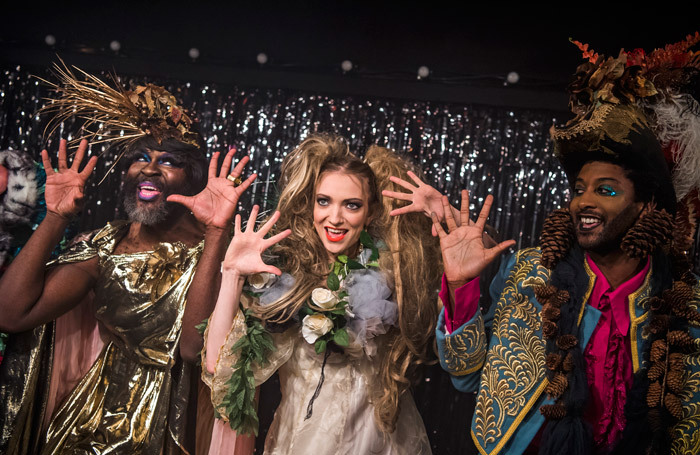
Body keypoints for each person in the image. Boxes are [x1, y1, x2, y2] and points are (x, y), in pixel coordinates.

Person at [418, 37, 700, 455]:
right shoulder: (529, 272)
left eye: (605, 190)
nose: (583, 201)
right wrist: (461, 290)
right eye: (579, 188)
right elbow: (464, 375)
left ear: (645, 205)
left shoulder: (684, 302)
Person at [0, 65, 256, 454]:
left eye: (169, 161)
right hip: (86, 427)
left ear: (193, 177)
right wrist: (55, 217)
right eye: (140, 157)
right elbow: (11, 313)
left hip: (165, 432)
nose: (150, 168)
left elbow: (192, 350)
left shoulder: (217, 255)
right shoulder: (107, 246)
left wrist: (217, 234)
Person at [203, 134, 443, 454]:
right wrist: (231, 273)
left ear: (370, 213)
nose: (335, 217)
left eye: (352, 205)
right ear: (310, 205)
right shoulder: (284, 279)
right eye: (324, 201)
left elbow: (441, 324)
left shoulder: (397, 274)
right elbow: (217, 367)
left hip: (382, 444)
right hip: (303, 442)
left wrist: (443, 219)